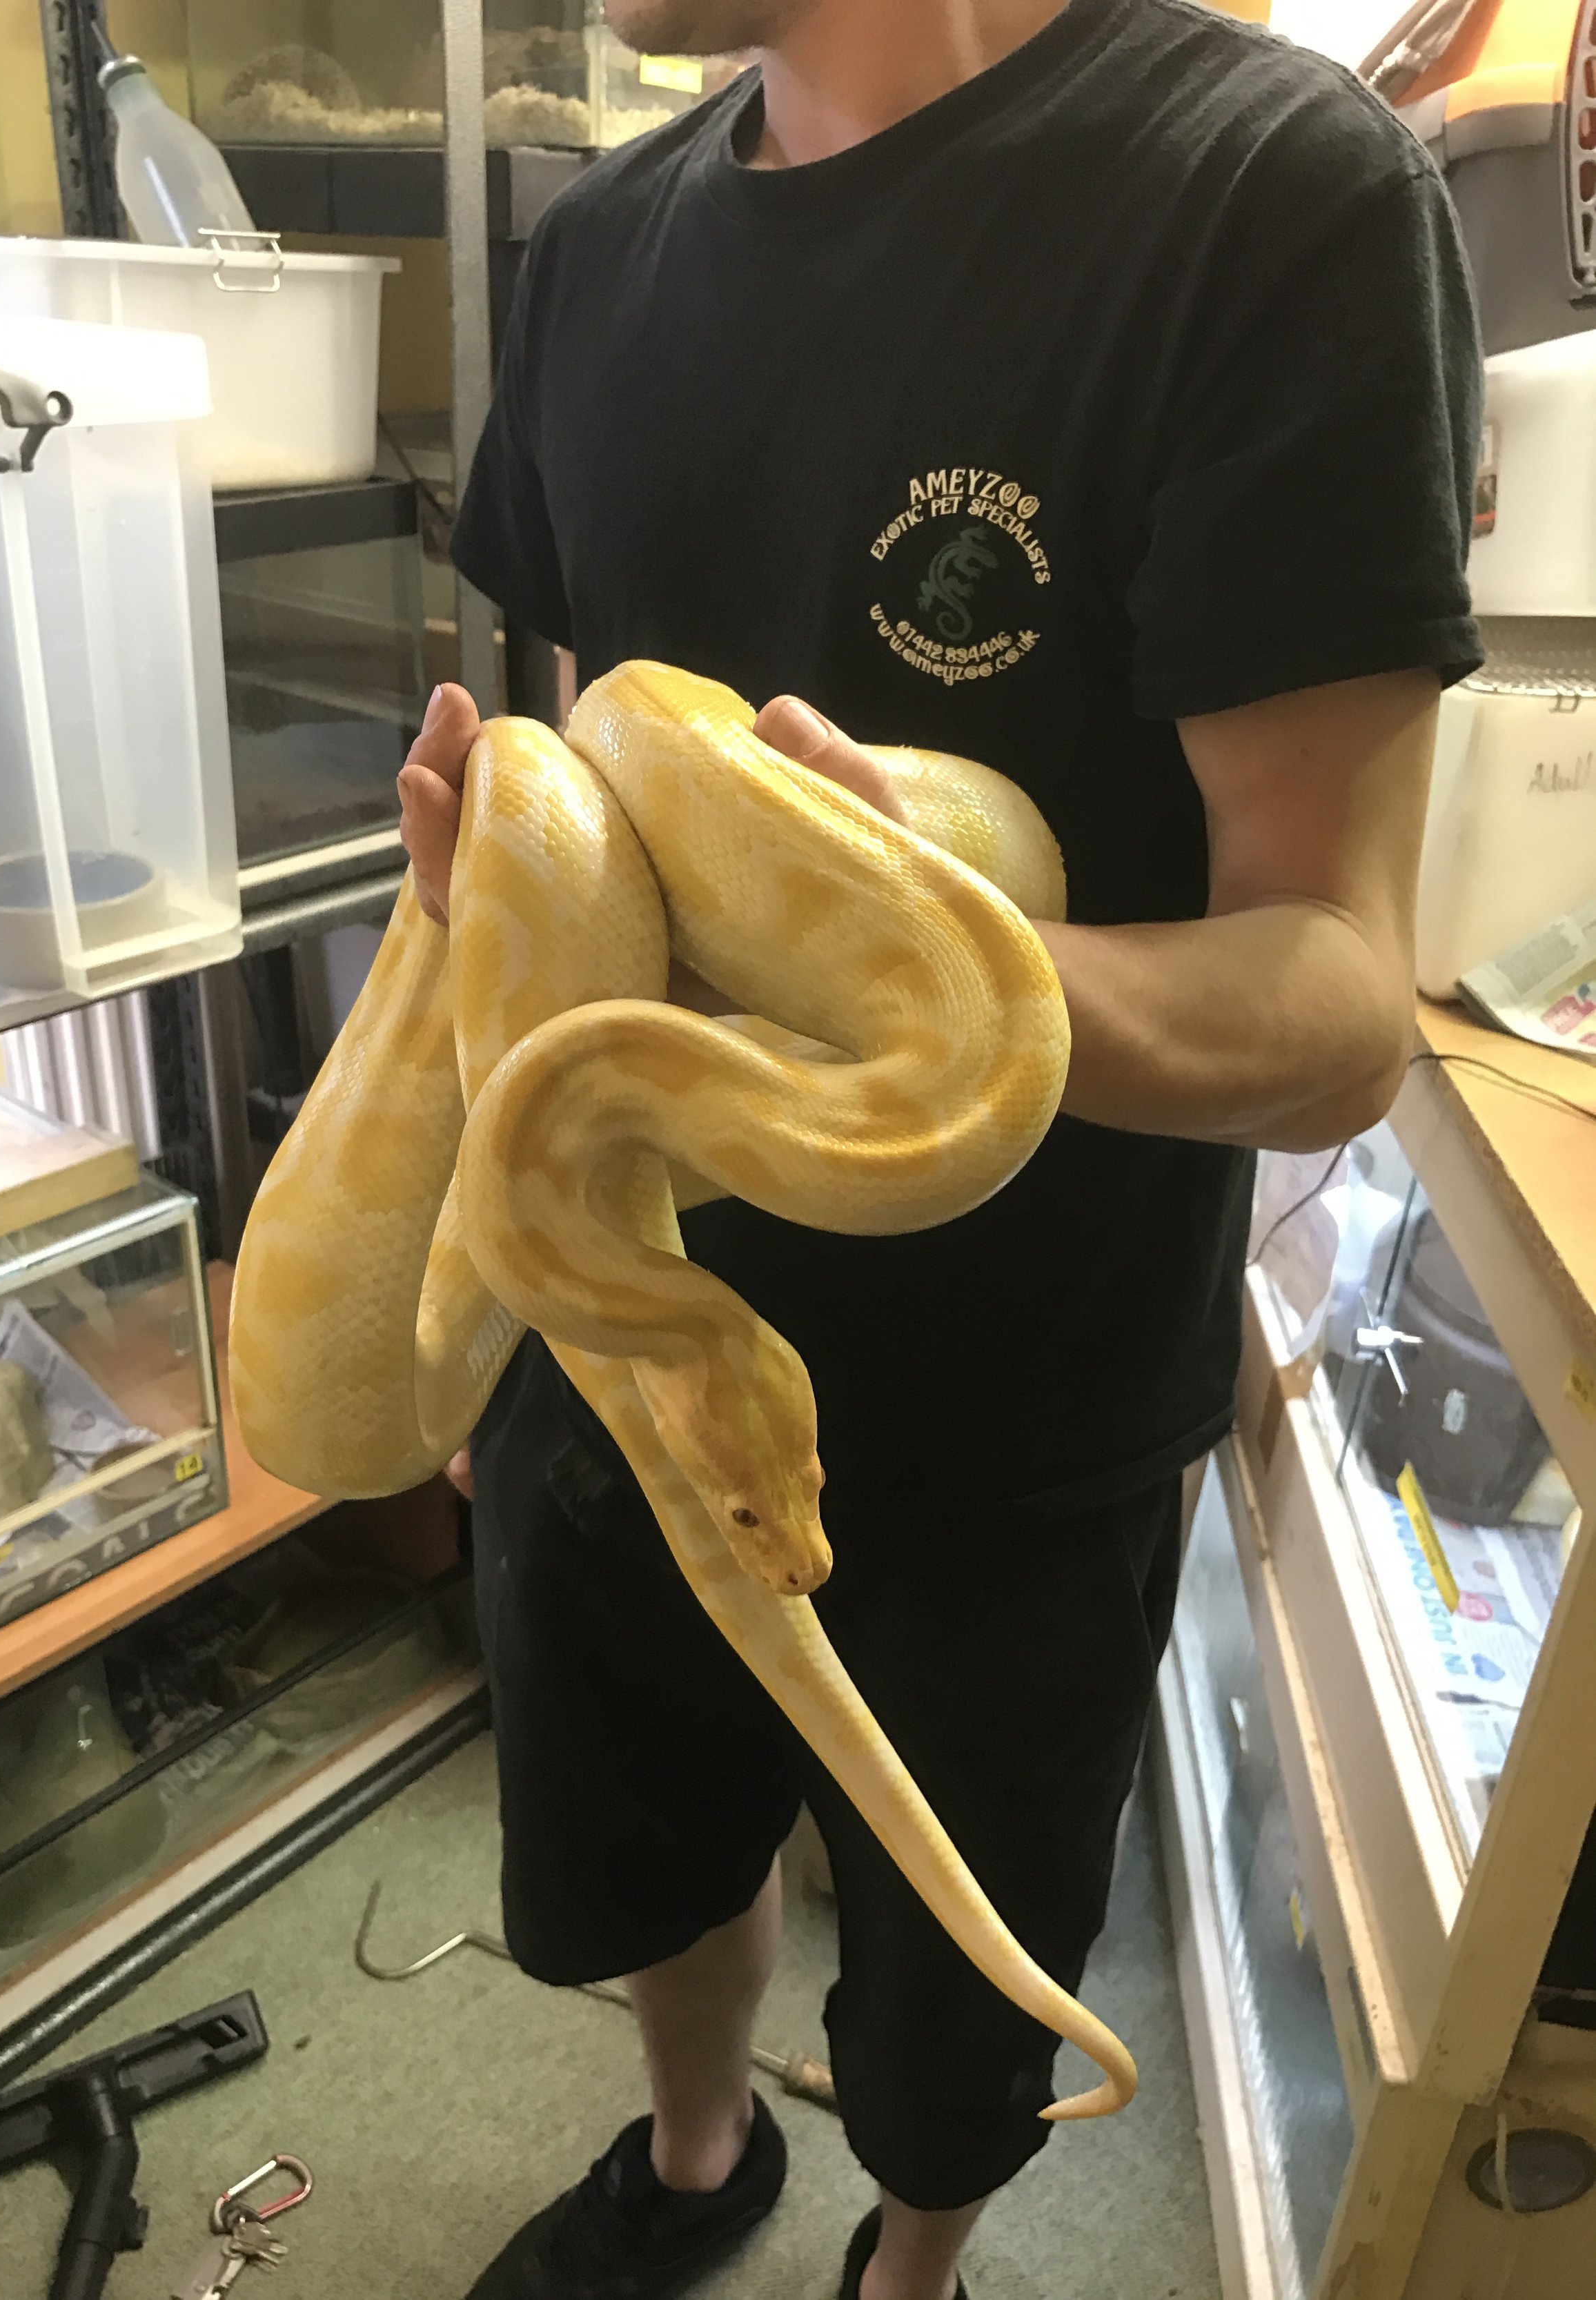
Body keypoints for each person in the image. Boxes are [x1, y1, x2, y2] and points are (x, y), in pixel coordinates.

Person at [396, 3, 1481, 2296]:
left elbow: (1334, 1000)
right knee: (642, 1844)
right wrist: (490, 1091)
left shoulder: (1265, 197)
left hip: (1026, 1388)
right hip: (618, 1316)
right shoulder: (591, 252)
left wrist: (921, 972)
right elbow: (592, 785)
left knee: (958, 1972)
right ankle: (698, 2158)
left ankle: (917, 2260)